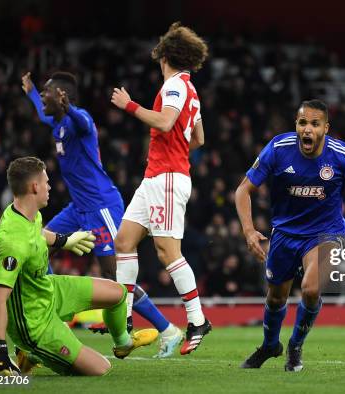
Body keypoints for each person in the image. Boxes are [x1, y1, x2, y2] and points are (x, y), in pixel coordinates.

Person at [21, 71, 182, 358]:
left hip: (101, 206)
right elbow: (44, 114)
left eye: (47, 93)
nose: (43, 98)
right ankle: (54, 315)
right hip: (78, 207)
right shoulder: (57, 124)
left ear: (62, 97)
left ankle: (168, 329)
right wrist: (32, 91)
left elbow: (82, 121)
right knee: (39, 246)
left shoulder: (79, 120)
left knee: (114, 275)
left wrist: (69, 107)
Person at [235, 99, 345, 372]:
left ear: (325, 128)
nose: (307, 129)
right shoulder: (278, 149)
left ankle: (296, 345)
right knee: (276, 298)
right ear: (296, 125)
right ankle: (270, 345)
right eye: (302, 123)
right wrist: (249, 230)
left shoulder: (344, 156)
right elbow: (243, 190)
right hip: (285, 234)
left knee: (311, 290)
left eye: (314, 124)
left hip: (326, 233)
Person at [0, 157, 157, 376]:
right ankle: (30, 352)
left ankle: (123, 343)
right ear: (34, 186)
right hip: (34, 321)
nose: (50, 187)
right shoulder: (11, 241)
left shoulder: (26, 213)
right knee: (100, 369)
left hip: (48, 289)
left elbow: (36, 233)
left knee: (118, 293)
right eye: (46, 182)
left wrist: (64, 240)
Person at [110, 22, 211, 355]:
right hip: (157, 176)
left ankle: (197, 320)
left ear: (165, 54)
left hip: (166, 177)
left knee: (168, 252)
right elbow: (198, 138)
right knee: (124, 240)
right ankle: (123, 318)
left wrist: (130, 105)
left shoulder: (173, 86)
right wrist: (178, 153)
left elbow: (166, 122)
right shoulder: (190, 89)